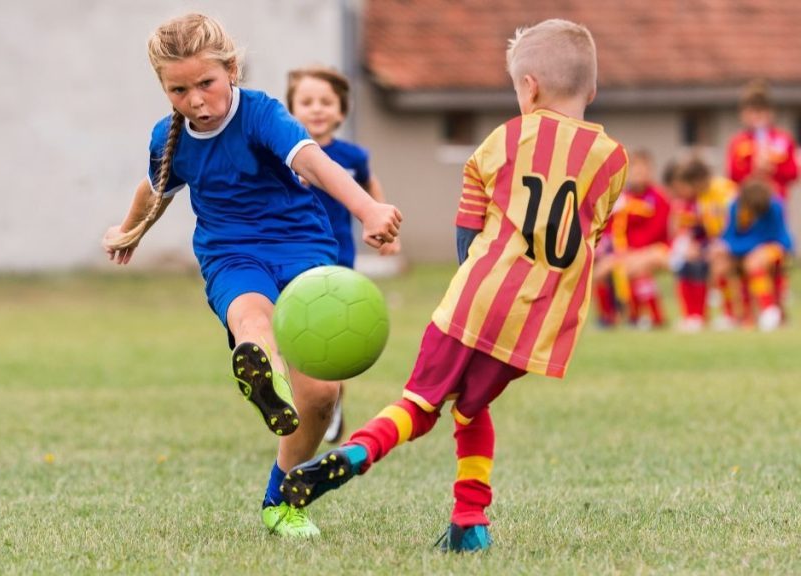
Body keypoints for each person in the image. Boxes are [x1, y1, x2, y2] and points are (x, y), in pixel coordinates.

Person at [279, 19, 628, 552]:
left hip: (476, 300)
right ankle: (471, 522)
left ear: (528, 87)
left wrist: (471, 275)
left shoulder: (508, 137)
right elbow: (592, 234)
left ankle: (355, 452)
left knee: (419, 404)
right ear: (593, 89)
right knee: (470, 409)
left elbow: (469, 222)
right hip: (538, 321)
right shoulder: (613, 160)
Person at [101, 13, 402, 538]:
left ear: (231, 70)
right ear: (163, 88)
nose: (196, 100)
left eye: (206, 84)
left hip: (302, 249)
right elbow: (154, 188)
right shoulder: (169, 138)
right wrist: (128, 231)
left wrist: (368, 209)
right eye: (179, 90)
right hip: (230, 254)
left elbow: (312, 161)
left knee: (324, 395)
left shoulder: (261, 113)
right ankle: (260, 369)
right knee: (251, 316)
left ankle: (282, 499)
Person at [285, 66, 401, 444]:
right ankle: (300, 401)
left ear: (341, 111)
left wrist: (384, 226)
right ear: (291, 110)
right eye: (306, 102)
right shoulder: (283, 154)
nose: (316, 109)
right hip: (290, 257)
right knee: (295, 337)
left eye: (326, 102)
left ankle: (331, 402)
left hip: (338, 262)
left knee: (333, 338)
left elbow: (369, 184)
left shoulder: (352, 156)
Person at [593, 149, 671, 328]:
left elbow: (657, 231)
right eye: (635, 171)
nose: (639, 175)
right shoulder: (620, 198)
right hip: (624, 252)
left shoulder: (659, 198)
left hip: (656, 249)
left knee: (633, 268)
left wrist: (631, 251)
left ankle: (650, 316)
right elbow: (609, 228)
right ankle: (609, 317)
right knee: (602, 270)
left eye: (644, 171)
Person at [710, 178, 793, 331]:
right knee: (720, 264)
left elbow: (765, 237)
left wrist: (732, 247)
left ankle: (769, 311)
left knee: (754, 261)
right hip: (746, 250)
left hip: (776, 246)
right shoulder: (736, 206)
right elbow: (729, 235)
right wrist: (722, 245)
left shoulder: (774, 206)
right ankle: (731, 316)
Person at [666, 156, 736, 330]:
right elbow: (702, 227)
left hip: (732, 242)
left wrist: (722, 244)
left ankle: (730, 315)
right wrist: (693, 244)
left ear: (698, 180)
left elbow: (736, 221)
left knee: (718, 263)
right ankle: (694, 316)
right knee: (686, 263)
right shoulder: (701, 197)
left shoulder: (724, 189)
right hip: (714, 243)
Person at [726, 80, 798, 202]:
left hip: (776, 200)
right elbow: (732, 175)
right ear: (743, 114)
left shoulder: (783, 140)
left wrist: (774, 169)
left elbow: (793, 173)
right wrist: (753, 169)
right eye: (751, 112)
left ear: (771, 112)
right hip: (747, 202)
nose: (756, 117)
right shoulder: (738, 142)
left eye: (761, 111)